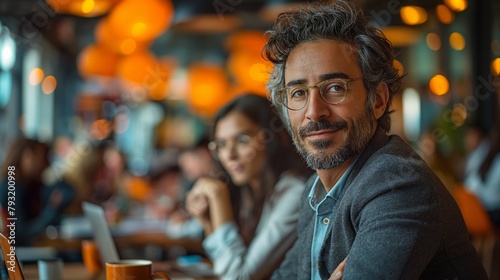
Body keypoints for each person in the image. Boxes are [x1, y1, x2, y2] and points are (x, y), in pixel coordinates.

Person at [263, 1, 488, 279]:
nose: (313, 111)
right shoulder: (315, 190)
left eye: (335, 88)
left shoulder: (398, 185)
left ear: (378, 100)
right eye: (298, 93)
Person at [185, 93, 312, 280]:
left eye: (242, 140)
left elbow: (237, 276)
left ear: (272, 139)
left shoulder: (294, 192)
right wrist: (207, 222)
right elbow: (225, 267)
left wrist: (217, 197)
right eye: (221, 144)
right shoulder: (247, 191)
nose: (229, 155)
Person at [0, 137, 75, 246]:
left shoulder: (22, 185)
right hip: (22, 255)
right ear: (27, 156)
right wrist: (52, 208)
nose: (45, 165)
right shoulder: (12, 188)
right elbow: (22, 233)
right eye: (42, 158)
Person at [464, 116, 500, 226]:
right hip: (489, 211)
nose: (467, 139)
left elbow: (470, 186)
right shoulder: (483, 155)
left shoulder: (485, 155)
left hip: (481, 210)